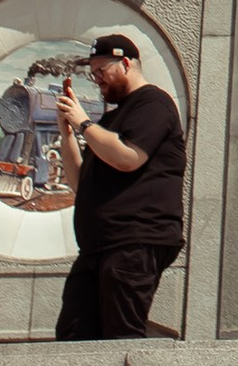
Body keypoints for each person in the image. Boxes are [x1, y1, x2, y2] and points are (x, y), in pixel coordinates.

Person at [54, 35, 185, 339]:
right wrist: (68, 133)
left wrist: (84, 123)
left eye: (101, 71)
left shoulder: (154, 103)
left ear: (126, 64)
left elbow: (128, 157)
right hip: (98, 246)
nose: (97, 79)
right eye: (93, 73)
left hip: (134, 240)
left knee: (121, 332)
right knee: (72, 332)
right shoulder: (111, 119)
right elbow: (79, 182)